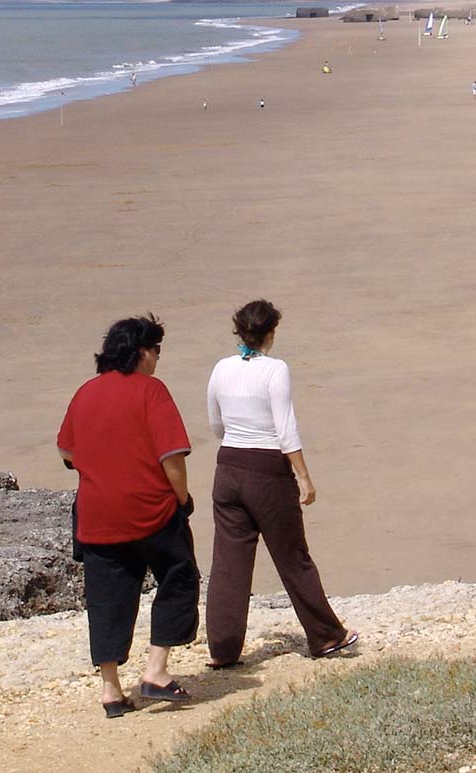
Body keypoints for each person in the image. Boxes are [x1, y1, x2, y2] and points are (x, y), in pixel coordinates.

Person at [57, 314, 200, 717]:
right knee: (180, 575)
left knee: (106, 599)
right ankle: (155, 671)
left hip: (97, 513)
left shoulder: (85, 393)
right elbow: (171, 454)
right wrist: (182, 498)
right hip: (150, 508)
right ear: (140, 353)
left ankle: (110, 691)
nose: (158, 358)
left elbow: (66, 451)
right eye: (156, 350)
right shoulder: (151, 391)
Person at [205, 300, 357, 667]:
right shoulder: (275, 370)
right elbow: (285, 428)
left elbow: (216, 424)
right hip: (266, 469)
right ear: (270, 333)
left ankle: (223, 650)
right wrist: (303, 476)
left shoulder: (221, 368)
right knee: (292, 556)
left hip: (227, 467)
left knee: (229, 562)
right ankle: (326, 636)